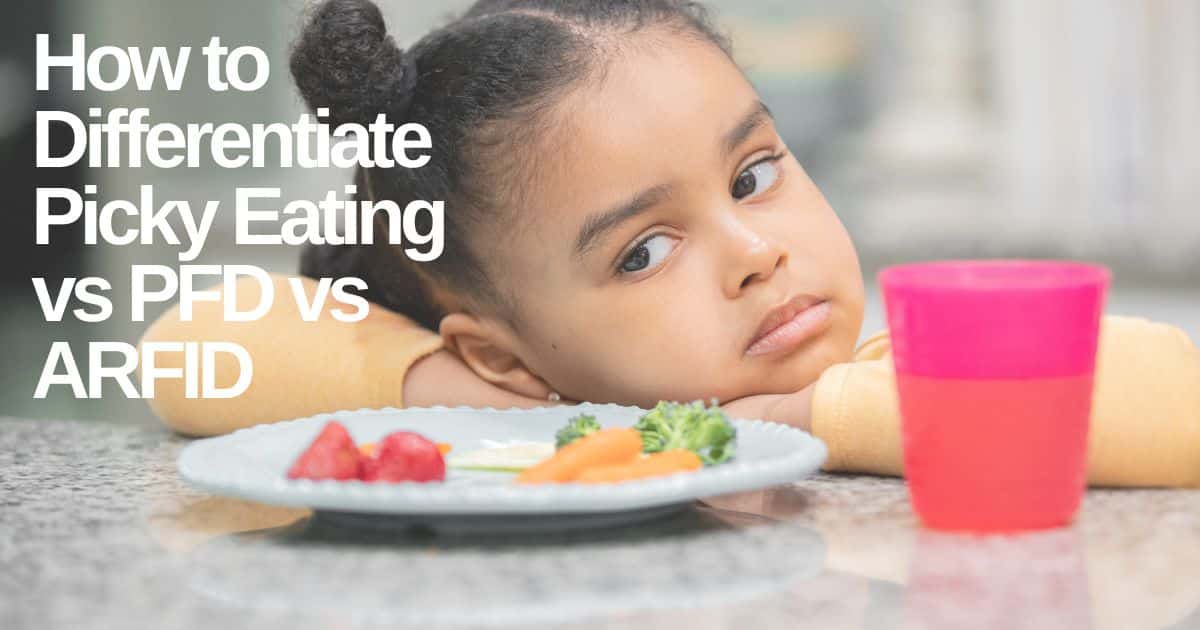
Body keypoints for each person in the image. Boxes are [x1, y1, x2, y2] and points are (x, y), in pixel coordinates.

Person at [141, 0, 1200, 487]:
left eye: (753, 174)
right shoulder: (560, 427)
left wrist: (796, 415)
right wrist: (486, 398)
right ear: (506, 352)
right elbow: (192, 344)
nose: (754, 250)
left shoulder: (877, 375)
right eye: (642, 252)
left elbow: (1179, 402)